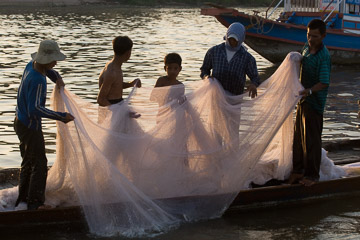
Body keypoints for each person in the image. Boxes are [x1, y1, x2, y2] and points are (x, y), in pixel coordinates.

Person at [14, 40, 75, 210]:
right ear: (46, 59)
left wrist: (57, 78)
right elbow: (35, 109)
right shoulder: (38, 80)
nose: (56, 62)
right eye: (54, 60)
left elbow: (48, 71)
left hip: (19, 122)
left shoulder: (31, 65)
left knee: (27, 161)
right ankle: (35, 204)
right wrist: (61, 116)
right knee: (40, 163)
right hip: (30, 126)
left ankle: (23, 198)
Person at [289, 19, 331, 186]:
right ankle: (298, 171)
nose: (311, 39)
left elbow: (324, 82)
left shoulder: (323, 55)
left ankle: (312, 176)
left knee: (312, 140)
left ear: (323, 36)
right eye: (308, 35)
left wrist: (310, 90)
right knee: (298, 137)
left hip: (315, 102)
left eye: (314, 36)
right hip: (303, 99)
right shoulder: (306, 48)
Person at [200, 22, 260, 97]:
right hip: (217, 97)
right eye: (230, 39)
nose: (232, 42)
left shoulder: (247, 58)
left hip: (235, 98)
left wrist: (253, 85)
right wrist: (206, 77)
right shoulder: (214, 52)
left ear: (241, 38)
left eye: (235, 40)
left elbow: (255, 77)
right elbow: (204, 69)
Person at [97, 36, 141, 118]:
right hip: (111, 113)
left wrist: (131, 84)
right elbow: (101, 99)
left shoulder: (116, 66)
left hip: (118, 105)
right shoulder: (112, 71)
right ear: (128, 53)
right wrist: (120, 111)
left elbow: (116, 85)